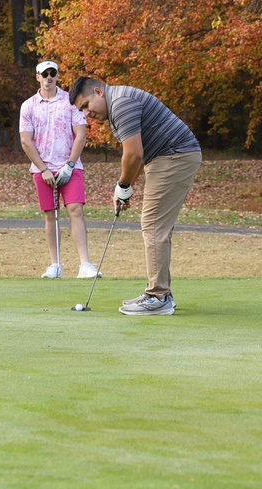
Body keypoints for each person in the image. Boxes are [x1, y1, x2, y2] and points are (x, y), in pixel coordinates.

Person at [68, 76, 201, 316]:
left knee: (152, 224)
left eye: (86, 105)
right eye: (82, 110)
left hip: (174, 155)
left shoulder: (121, 103)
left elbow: (133, 155)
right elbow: (137, 155)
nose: (87, 114)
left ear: (98, 92)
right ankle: (161, 294)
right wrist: (126, 188)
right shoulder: (117, 104)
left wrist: (123, 185)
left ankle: (158, 297)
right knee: (157, 226)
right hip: (167, 156)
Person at [19, 61, 97, 279]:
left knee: (76, 211)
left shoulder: (70, 102)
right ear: (38, 77)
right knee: (50, 215)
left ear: (57, 76)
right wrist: (43, 169)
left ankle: (85, 264)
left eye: (53, 73)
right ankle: (55, 265)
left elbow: (81, 134)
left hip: (70, 167)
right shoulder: (29, 106)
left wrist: (70, 164)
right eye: (45, 74)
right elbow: (26, 141)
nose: (49, 77)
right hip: (42, 169)